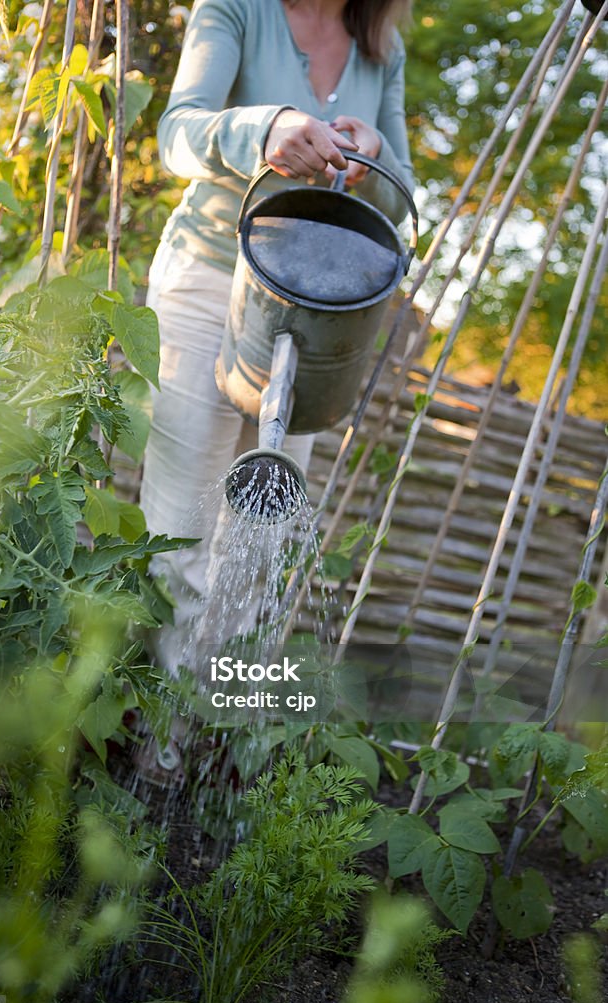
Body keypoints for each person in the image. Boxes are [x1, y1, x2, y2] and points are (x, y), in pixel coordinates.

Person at [140, 0, 415, 671]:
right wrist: (264, 129)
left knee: (259, 530)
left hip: (318, 305)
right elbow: (177, 133)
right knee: (182, 524)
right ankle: (153, 717)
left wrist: (372, 154)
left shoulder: (381, 46)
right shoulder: (234, 10)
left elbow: (402, 191)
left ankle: (205, 715)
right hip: (209, 281)